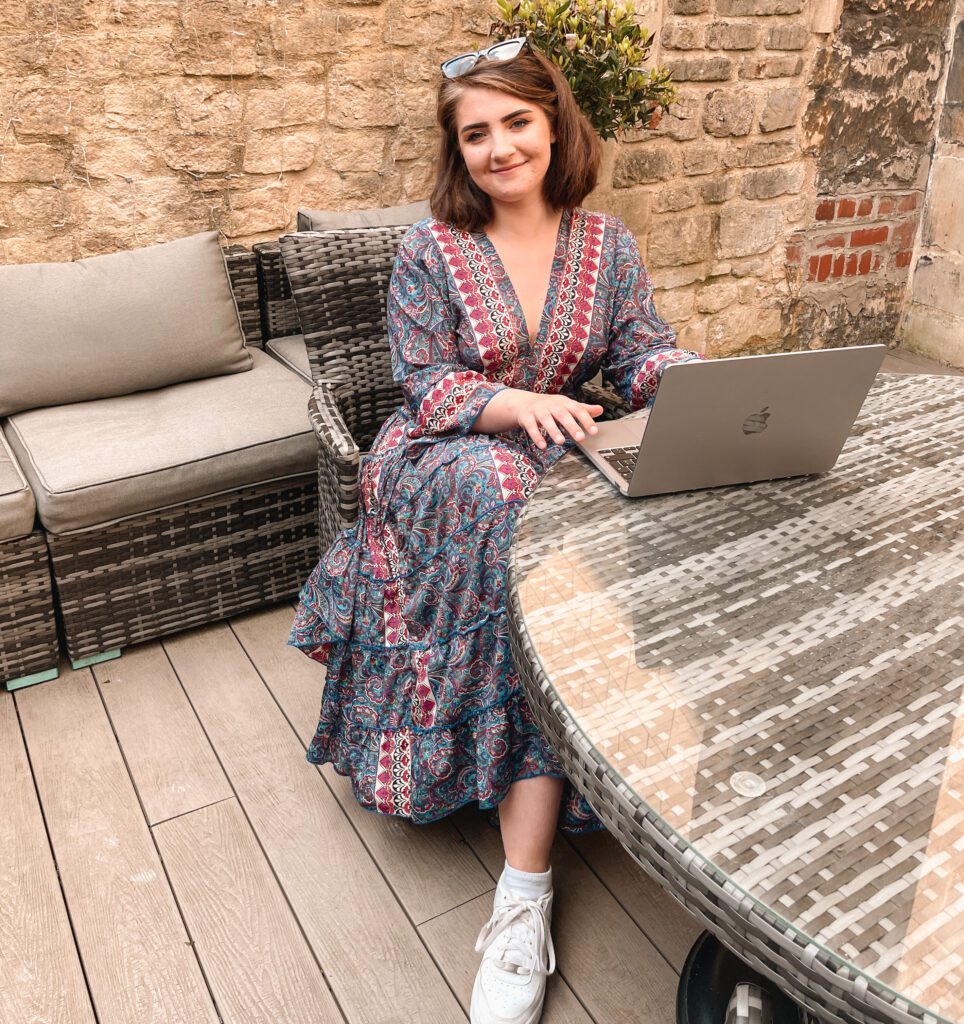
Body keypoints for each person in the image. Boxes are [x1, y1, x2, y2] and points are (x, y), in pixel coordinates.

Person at [289, 36, 701, 1024]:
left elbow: (641, 352)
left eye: (516, 121)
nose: (499, 146)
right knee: (509, 513)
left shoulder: (609, 246)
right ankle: (525, 890)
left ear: (554, 123)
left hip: (556, 446)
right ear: (457, 151)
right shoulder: (433, 248)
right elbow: (425, 382)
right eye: (475, 133)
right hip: (444, 453)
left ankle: (622, 749)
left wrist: (686, 379)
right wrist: (516, 406)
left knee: (657, 495)